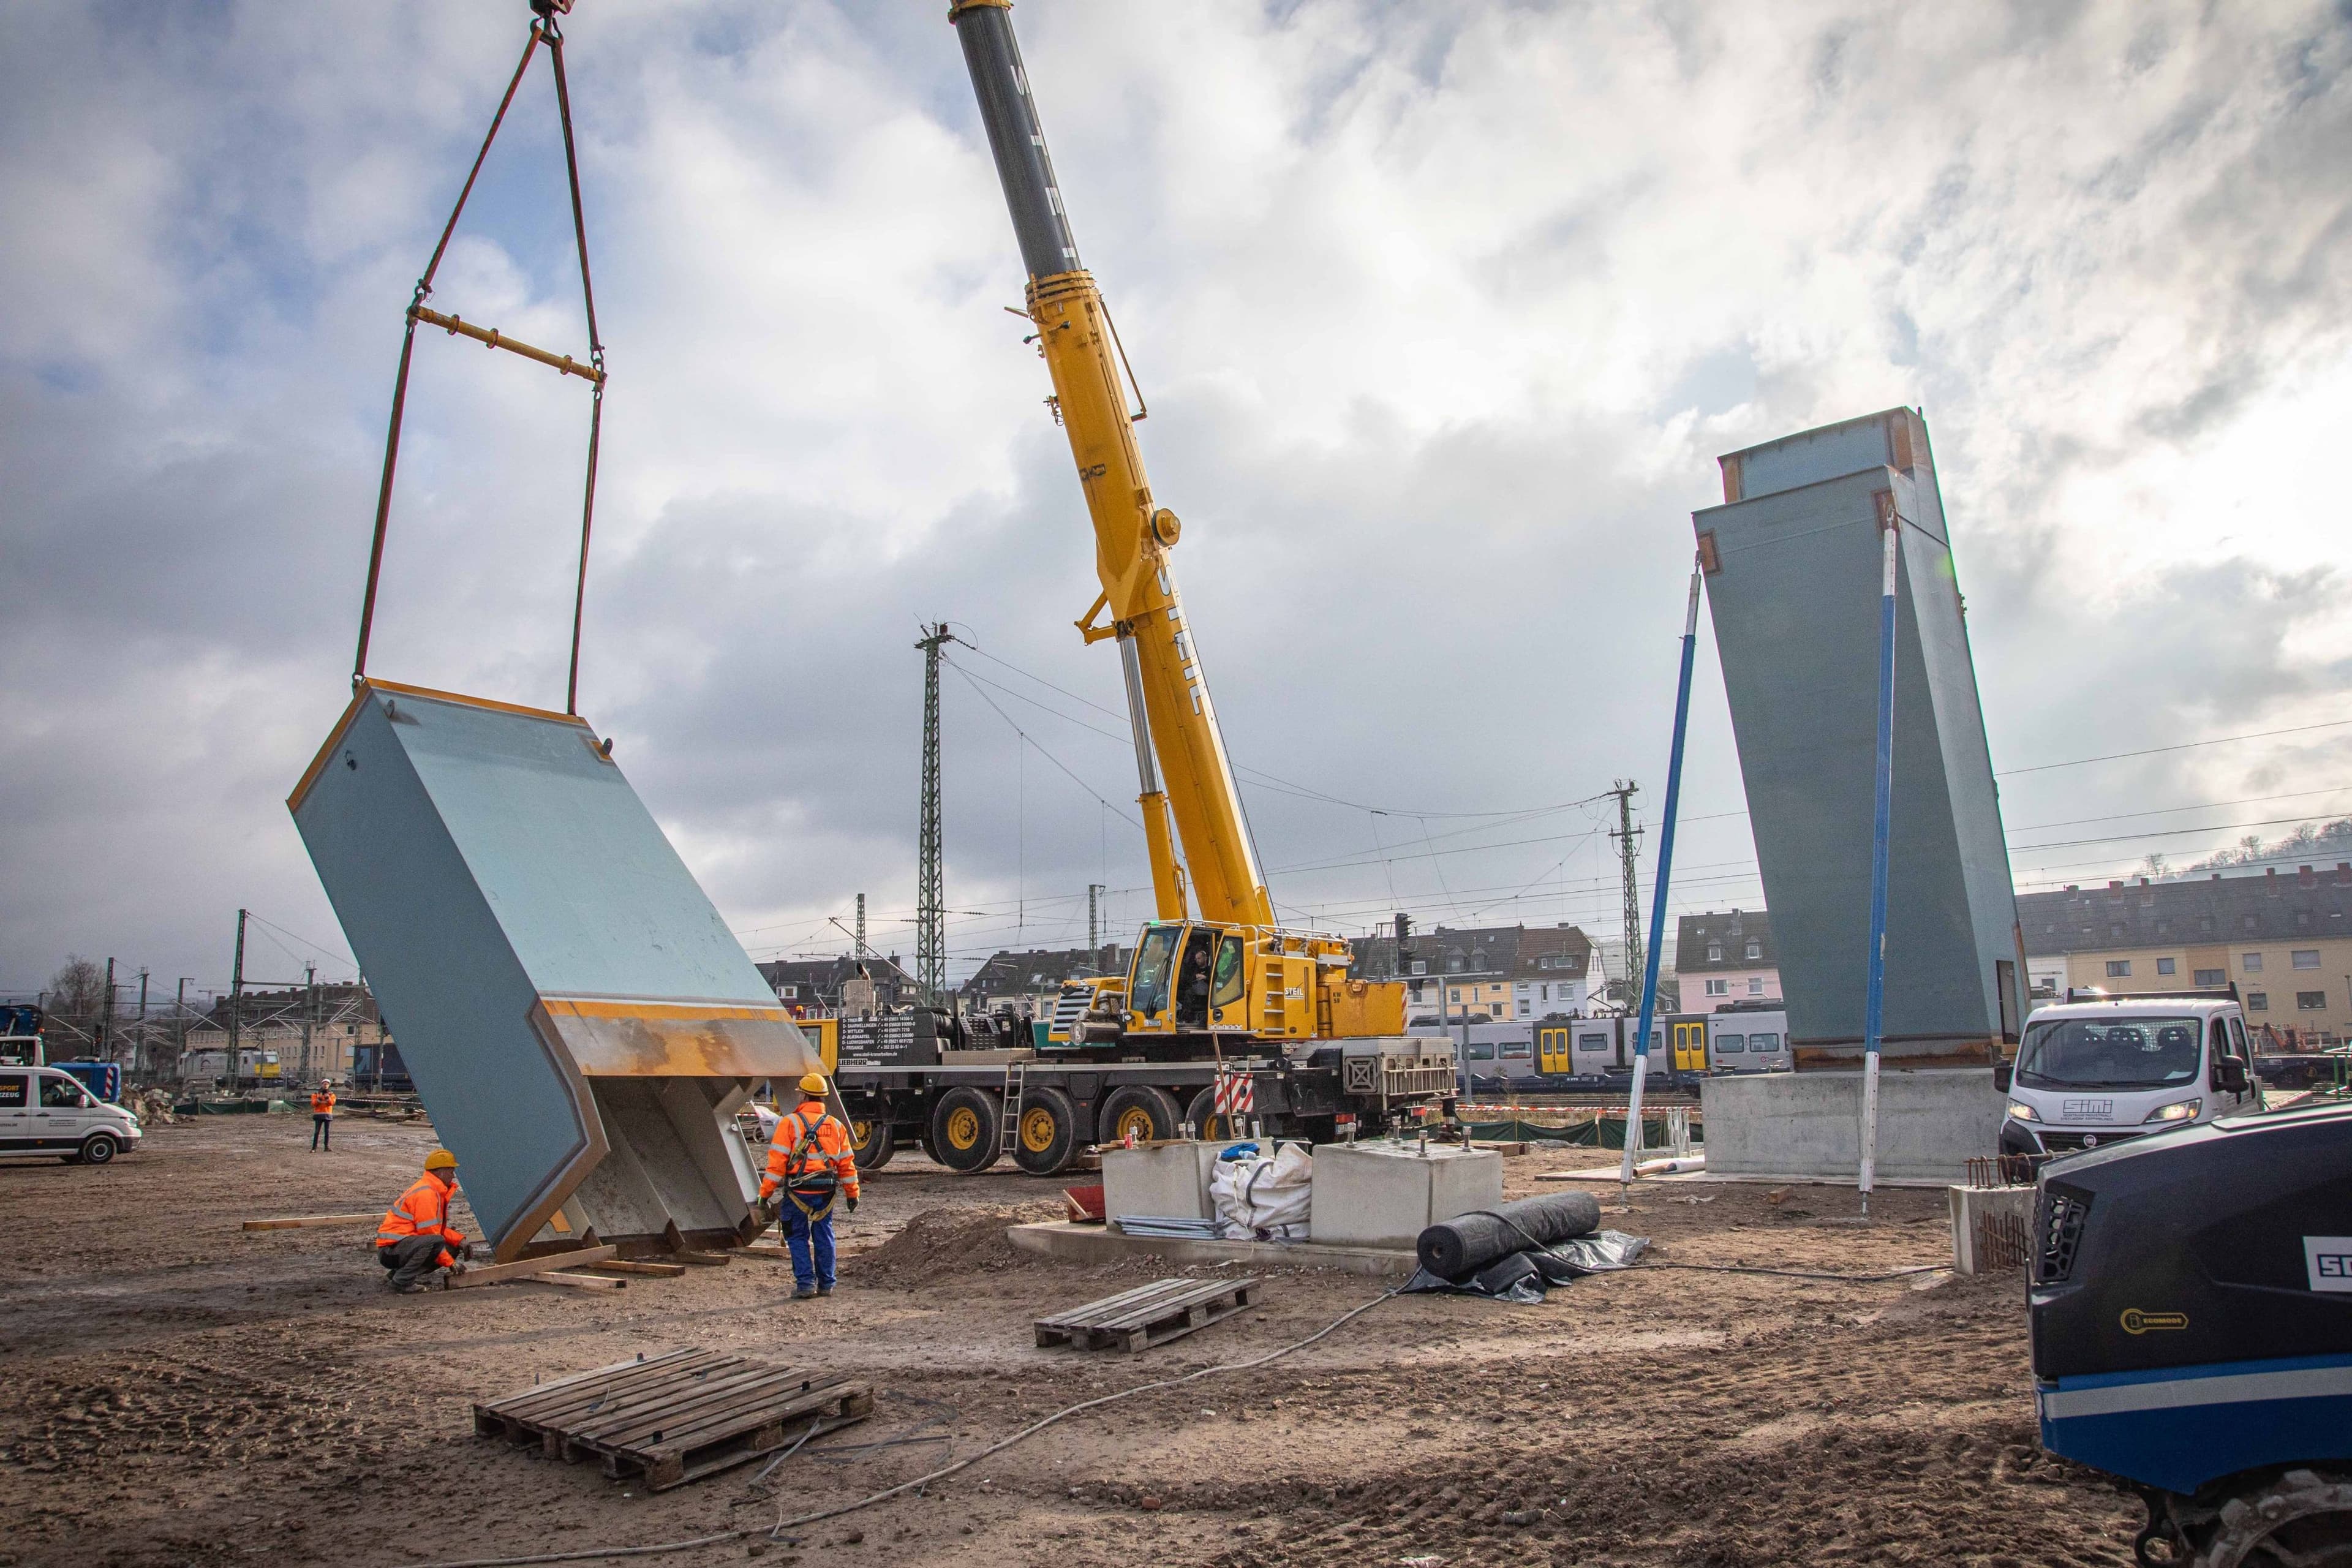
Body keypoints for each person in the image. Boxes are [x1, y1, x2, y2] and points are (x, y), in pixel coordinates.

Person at [758, 1072, 860, 1300]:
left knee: (796, 1236)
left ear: (803, 1095)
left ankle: (806, 1285)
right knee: (824, 1234)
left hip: (798, 1192)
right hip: (826, 1192)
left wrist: (764, 1195)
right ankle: (826, 1285)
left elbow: (776, 1165)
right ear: (823, 1098)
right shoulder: (836, 1126)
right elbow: (847, 1164)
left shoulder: (789, 1123)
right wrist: (853, 1194)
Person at [375, 1149, 467, 1294]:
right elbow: (430, 1235)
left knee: (451, 1246)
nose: (453, 1175)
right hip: (391, 1251)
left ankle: (397, 1275)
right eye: (451, 1171)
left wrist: (460, 1240)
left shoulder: (432, 1190)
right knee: (435, 1242)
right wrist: (451, 1263)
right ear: (441, 1171)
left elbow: (435, 1229)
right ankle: (402, 1281)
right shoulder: (427, 1194)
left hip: (399, 1248)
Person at [310, 1080, 337, 1152]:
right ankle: (314, 1148)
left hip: (327, 1115)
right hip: (319, 1115)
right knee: (317, 1132)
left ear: (329, 1085)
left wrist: (328, 1098)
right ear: (322, 1085)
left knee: (327, 1132)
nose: (326, 1085)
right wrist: (319, 1099)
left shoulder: (331, 1094)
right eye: (324, 1084)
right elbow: (313, 1104)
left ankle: (326, 1147)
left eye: (327, 1084)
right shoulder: (316, 1094)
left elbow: (332, 1103)